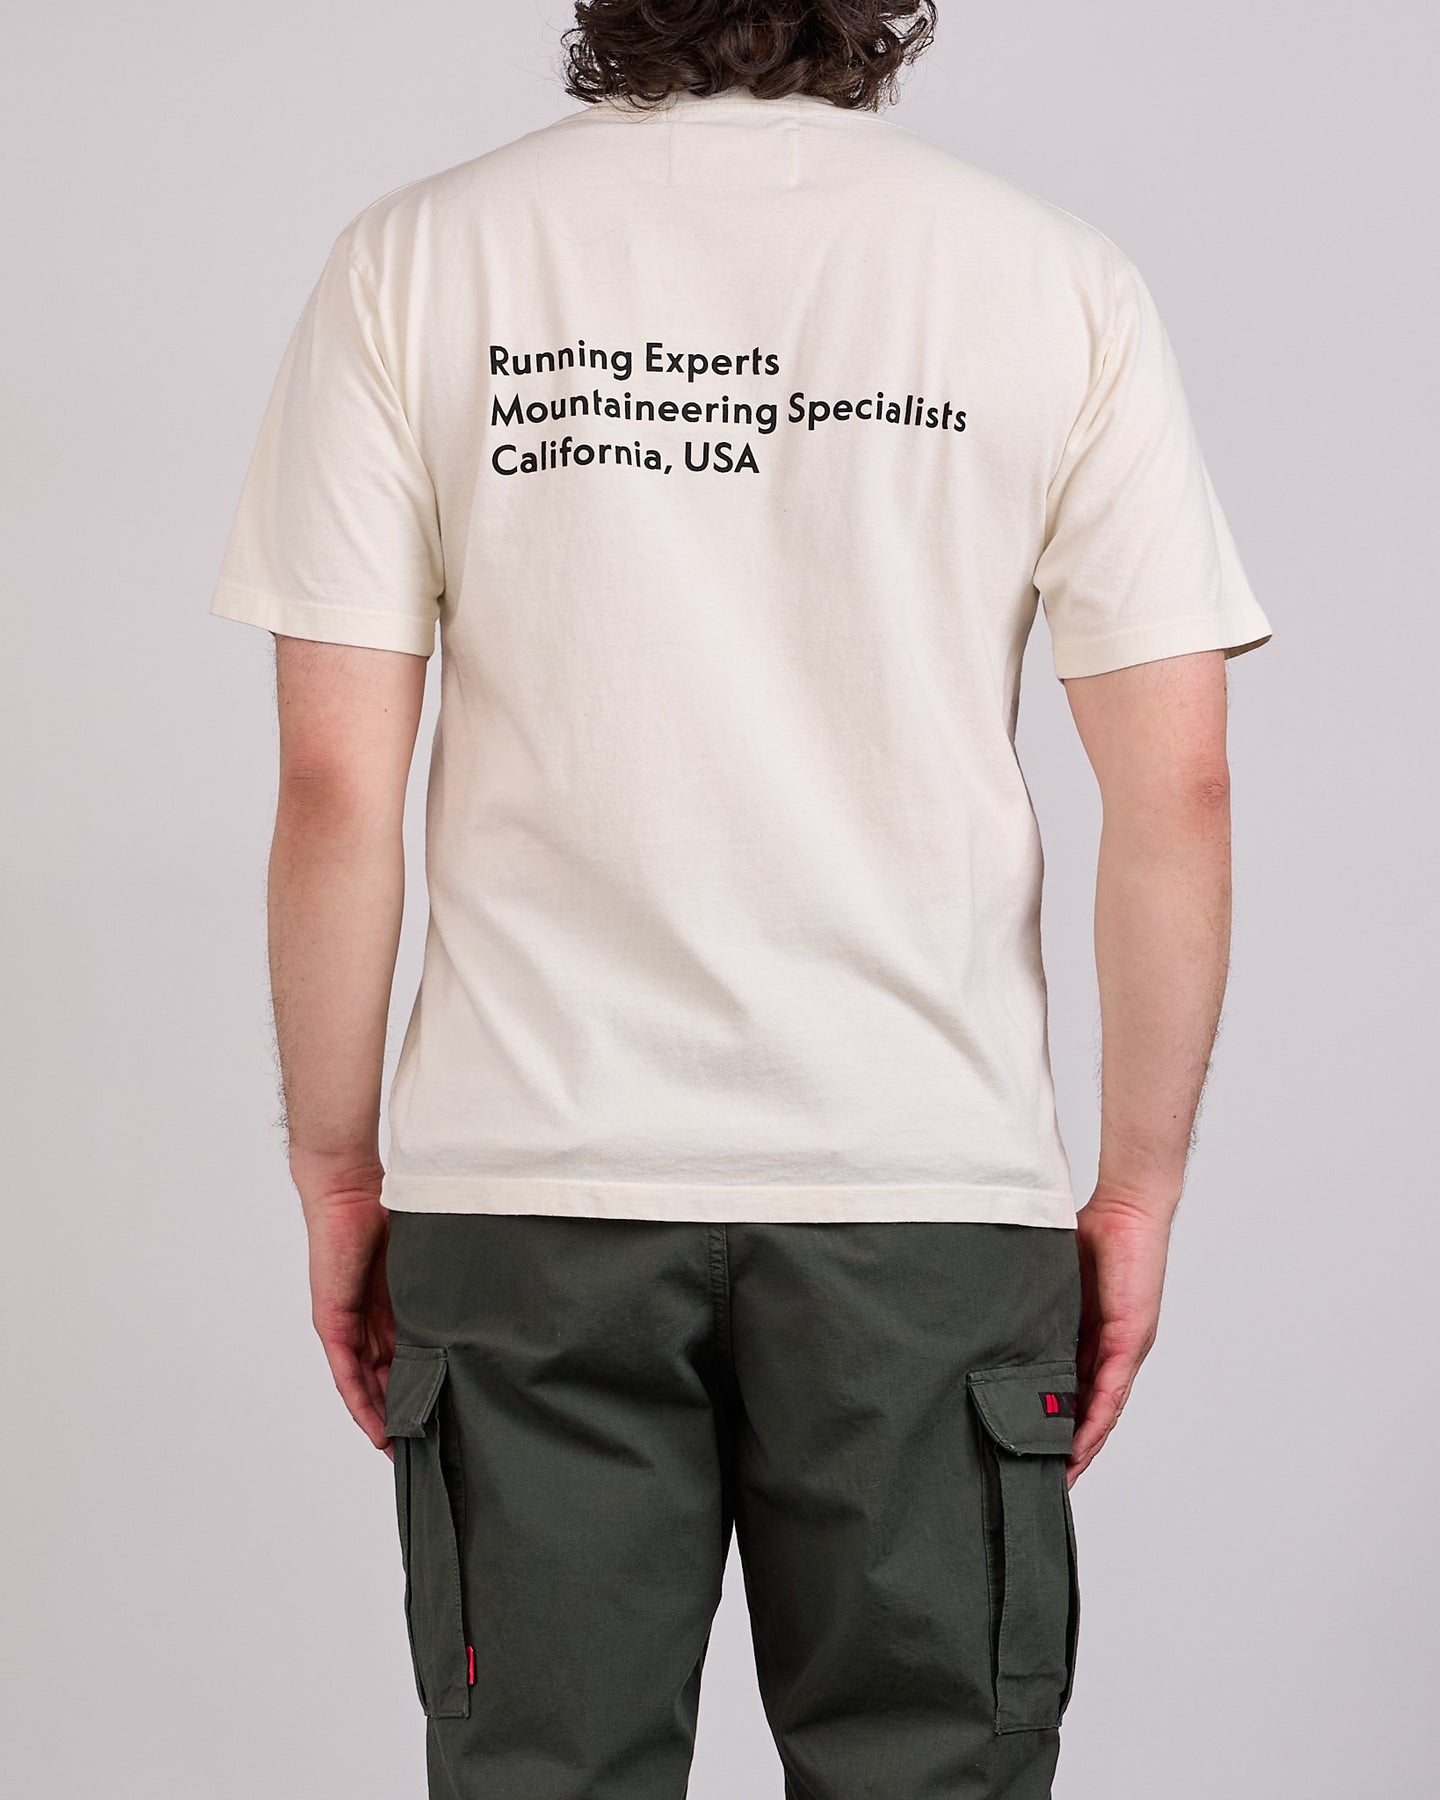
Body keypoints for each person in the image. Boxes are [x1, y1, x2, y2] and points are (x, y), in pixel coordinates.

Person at [209, 2, 1272, 1795]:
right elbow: (1179, 784)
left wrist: (336, 1166)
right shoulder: (1049, 279)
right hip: (921, 1188)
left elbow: (334, 781)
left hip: (532, 1181)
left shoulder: (419, 260)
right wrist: (1138, 1189)